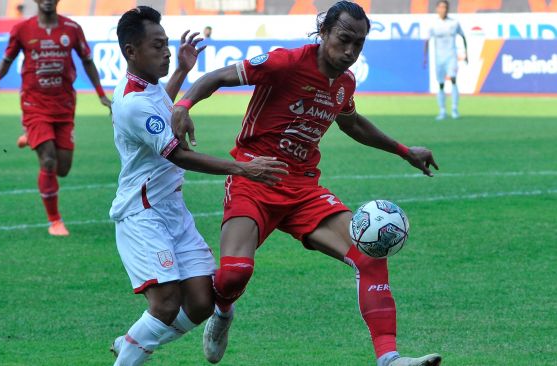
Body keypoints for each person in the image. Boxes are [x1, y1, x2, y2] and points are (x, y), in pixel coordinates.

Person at [171, 1, 442, 365]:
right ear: (325, 32)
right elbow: (217, 77)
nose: (350, 51)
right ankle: (222, 312)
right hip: (254, 176)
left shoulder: (344, 84)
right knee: (235, 273)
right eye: (344, 39)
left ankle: (389, 358)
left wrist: (403, 150)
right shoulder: (285, 62)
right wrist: (183, 105)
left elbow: (352, 123)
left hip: (303, 190)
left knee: (370, 254)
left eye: (358, 44)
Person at [107, 7, 288, 366]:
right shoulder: (132, 103)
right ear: (131, 51)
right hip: (143, 214)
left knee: (203, 301)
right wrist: (243, 168)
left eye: (166, 44)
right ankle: (128, 354)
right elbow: (180, 156)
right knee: (165, 304)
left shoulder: (147, 89)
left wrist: (181, 72)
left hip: (171, 209)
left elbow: (162, 107)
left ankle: (132, 341)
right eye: (157, 46)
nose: (167, 51)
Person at [0, 0, 111, 236]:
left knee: (63, 169)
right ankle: (55, 221)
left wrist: (101, 95)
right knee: (49, 162)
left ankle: (32, 138)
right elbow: (8, 59)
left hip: (64, 105)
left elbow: (87, 61)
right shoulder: (22, 29)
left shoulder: (72, 29)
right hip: (35, 105)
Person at [424, 0, 467, 120]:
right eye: (441, 7)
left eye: (445, 7)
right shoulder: (433, 24)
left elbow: (463, 37)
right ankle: (442, 110)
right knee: (441, 84)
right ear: (437, 9)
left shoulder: (454, 23)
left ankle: (454, 109)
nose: (443, 9)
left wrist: (466, 53)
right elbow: (427, 41)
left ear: (448, 9)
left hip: (451, 56)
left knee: (453, 79)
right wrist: (425, 57)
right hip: (439, 58)